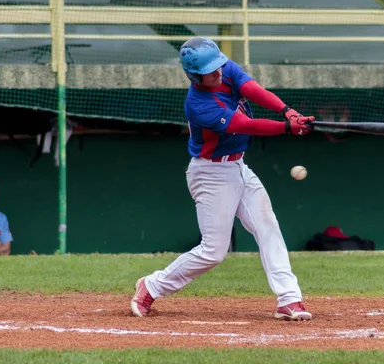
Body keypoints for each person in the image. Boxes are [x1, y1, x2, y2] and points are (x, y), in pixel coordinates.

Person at [131, 37, 314, 321]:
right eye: (210, 70)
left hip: (238, 166)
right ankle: (151, 285)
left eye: (218, 66)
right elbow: (246, 125)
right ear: (194, 75)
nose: (218, 72)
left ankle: (289, 298)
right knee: (213, 252)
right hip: (211, 174)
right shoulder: (199, 105)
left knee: (268, 227)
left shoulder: (223, 67)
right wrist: (287, 128)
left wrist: (286, 110)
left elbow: (253, 89)